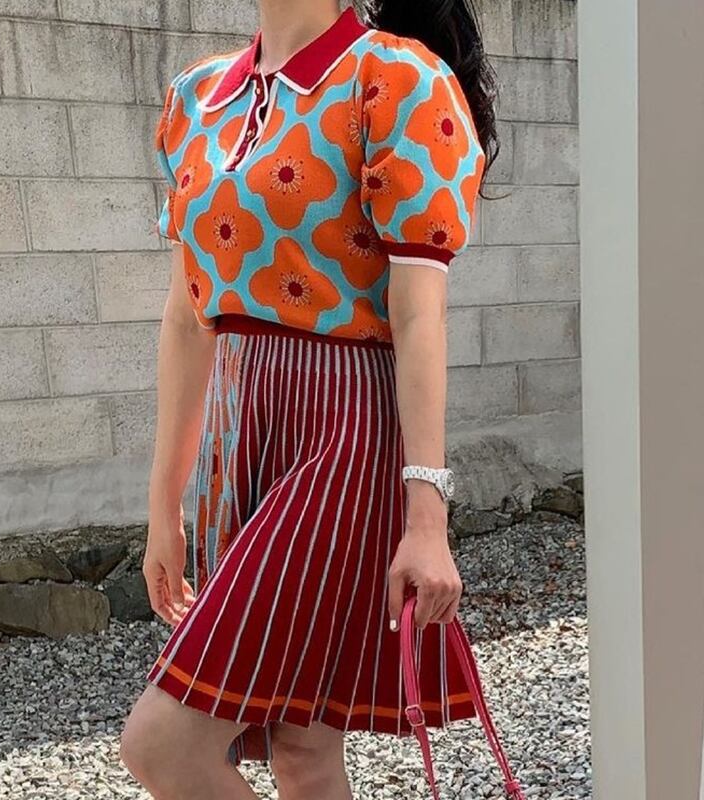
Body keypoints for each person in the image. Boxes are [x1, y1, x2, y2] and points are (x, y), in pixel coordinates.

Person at [120, 1, 498, 797]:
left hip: (347, 433)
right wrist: (163, 509)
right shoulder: (197, 97)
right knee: (301, 750)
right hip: (243, 426)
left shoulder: (395, 78)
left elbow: (418, 314)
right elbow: (188, 317)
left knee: (164, 744)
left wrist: (427, 517)